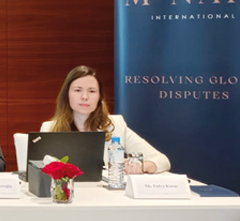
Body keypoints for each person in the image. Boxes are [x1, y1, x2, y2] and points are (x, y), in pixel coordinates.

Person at [41, 65, 170, 174]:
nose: (85, 97)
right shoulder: (50, 129)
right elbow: (41, 172)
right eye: (78, 90)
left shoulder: (115, 126)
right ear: (67, 95)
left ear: (99, 97)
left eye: (92, 91)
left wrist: (142, 166)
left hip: (109, 198)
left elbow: (162, 160)